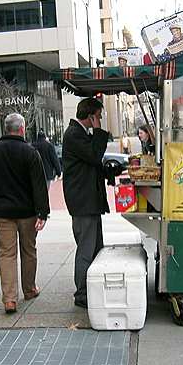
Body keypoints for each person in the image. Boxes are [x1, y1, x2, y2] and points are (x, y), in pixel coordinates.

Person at [0, 113, 49, 314]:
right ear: (22, 128)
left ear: (6, 128)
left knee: (6, 253)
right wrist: (42, 213)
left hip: (2, 212)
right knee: (29, 250)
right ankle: (29, 288)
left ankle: (9, 299)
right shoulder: (30, 152)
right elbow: (39, 186)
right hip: (27, 212)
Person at [62, 98, 109, 308]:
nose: (99, 120)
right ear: (90, 116)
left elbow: (92, 163)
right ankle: (82, 293)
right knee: (86, 249)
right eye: (98, 116)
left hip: (88, 201)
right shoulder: (74, 134)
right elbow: (94, 155)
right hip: (83, 202)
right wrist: (99, 130)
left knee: (96, 247)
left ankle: (92, 288)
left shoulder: (79, 134)